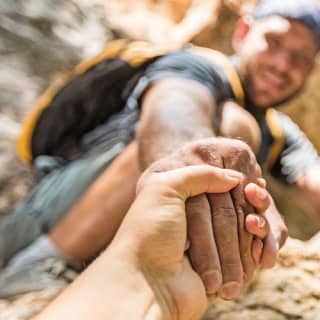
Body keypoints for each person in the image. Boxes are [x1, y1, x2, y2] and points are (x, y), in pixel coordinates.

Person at [4, 0, 320, 299]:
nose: (282, 64)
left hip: (108, 241)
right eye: (274, 42)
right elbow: (173, 109)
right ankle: (43, 261)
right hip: (44, 218)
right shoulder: (195, 65)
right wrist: (191, 159)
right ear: (243, 33)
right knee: (234, 127)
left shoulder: (279, 132)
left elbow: (313, 179)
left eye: (300, 58)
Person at [35, 165, 270, 320]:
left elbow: (305, 173)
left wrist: (157, 286)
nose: (278, 84)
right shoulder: (216, 94)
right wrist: (184, 168)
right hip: (39, 245)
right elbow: (173, 103)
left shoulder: (282, 136)